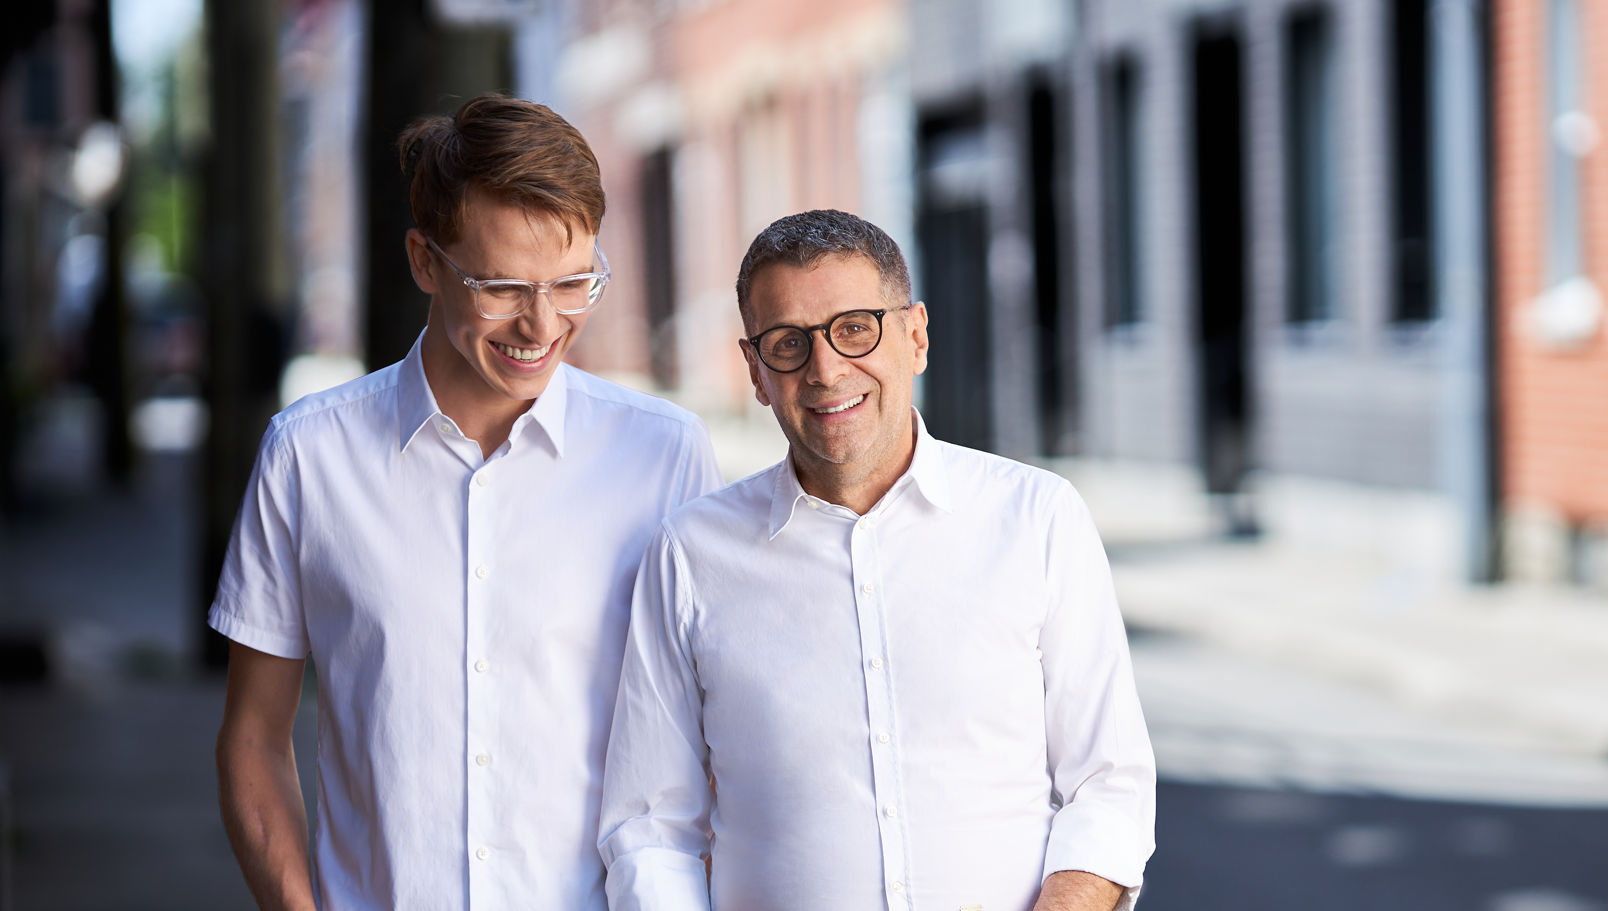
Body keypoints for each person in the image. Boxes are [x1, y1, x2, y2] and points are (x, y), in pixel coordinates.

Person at [212, 94, 720, 910]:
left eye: (573, 283)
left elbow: (714, 738)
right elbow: (252, 739)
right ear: (424, 261)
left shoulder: (664, 453)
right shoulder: (308, 456)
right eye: (502, 286)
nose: (542, 322)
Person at [598, 209, 1155, 911]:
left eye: (855, 327)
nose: (826, 370)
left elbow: (1109, 783)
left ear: (915, 336)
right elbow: (651, 827)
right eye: (789, 343)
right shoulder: (690, 556)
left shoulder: (1038, 519)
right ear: (756, 371)